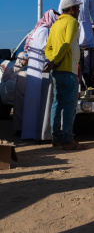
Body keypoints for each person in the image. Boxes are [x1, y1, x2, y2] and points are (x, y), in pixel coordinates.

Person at [44, 0, 88, 151]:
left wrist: (52, 61)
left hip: (57, 71)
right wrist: (55, 61)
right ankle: (68, 140)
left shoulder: (55, 25)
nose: (79, 10)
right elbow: (67, 43)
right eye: (77, 8)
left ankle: (56, 139)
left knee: (57, 105)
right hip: (68, 70)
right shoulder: (72, 22)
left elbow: (47, 48)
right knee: (69, 107)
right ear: (71, 10)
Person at [21, 10, 59, 141]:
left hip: (35, 69)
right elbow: (44, 48)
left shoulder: (37, 30)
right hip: (40, 68)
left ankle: (30, 133)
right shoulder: (44, 31)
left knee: (32, 102)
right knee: (38, 102)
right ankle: (35, 133)